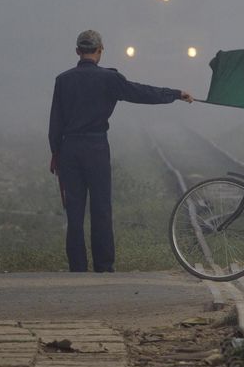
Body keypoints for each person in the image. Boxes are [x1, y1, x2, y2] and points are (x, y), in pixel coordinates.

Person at [48, 30, 193, 273]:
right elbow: (141, 92)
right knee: (101, 208)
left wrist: (56, 153)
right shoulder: (109, 79)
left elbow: (55, 123)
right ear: (100, 50)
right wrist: (175, 94)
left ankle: (78, 268)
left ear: (77, 51)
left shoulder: (63, 80)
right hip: (96, 148)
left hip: (70, 149)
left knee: (74, 212)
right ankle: (104, 267)